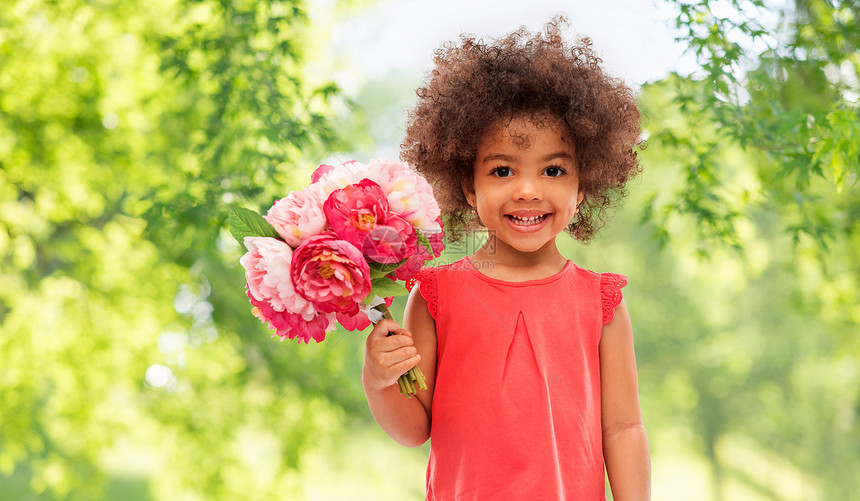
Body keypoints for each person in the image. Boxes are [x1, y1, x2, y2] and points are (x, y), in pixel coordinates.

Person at [362, 17, 650, 501]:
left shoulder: (601, 302)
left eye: (553, 169)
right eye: (502, 170)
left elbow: (623, 429)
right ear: (469, 188)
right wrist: (379, 379)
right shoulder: (434, 295)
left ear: (582, 188)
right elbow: (414, 428)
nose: (528, 190)